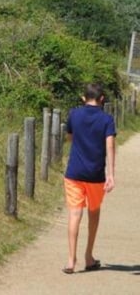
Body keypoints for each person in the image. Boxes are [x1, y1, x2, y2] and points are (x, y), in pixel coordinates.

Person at [62, 83, 116, 274]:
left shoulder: (74, 114)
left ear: (83, 98)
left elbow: (69, 137)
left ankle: (71, 260)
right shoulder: (107, 119)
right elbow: (110, 145)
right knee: (93, 213)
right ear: (102, 99)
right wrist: (111, 174)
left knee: (74, 214)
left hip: (74, 173)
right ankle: (88, 256)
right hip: (96, 175)